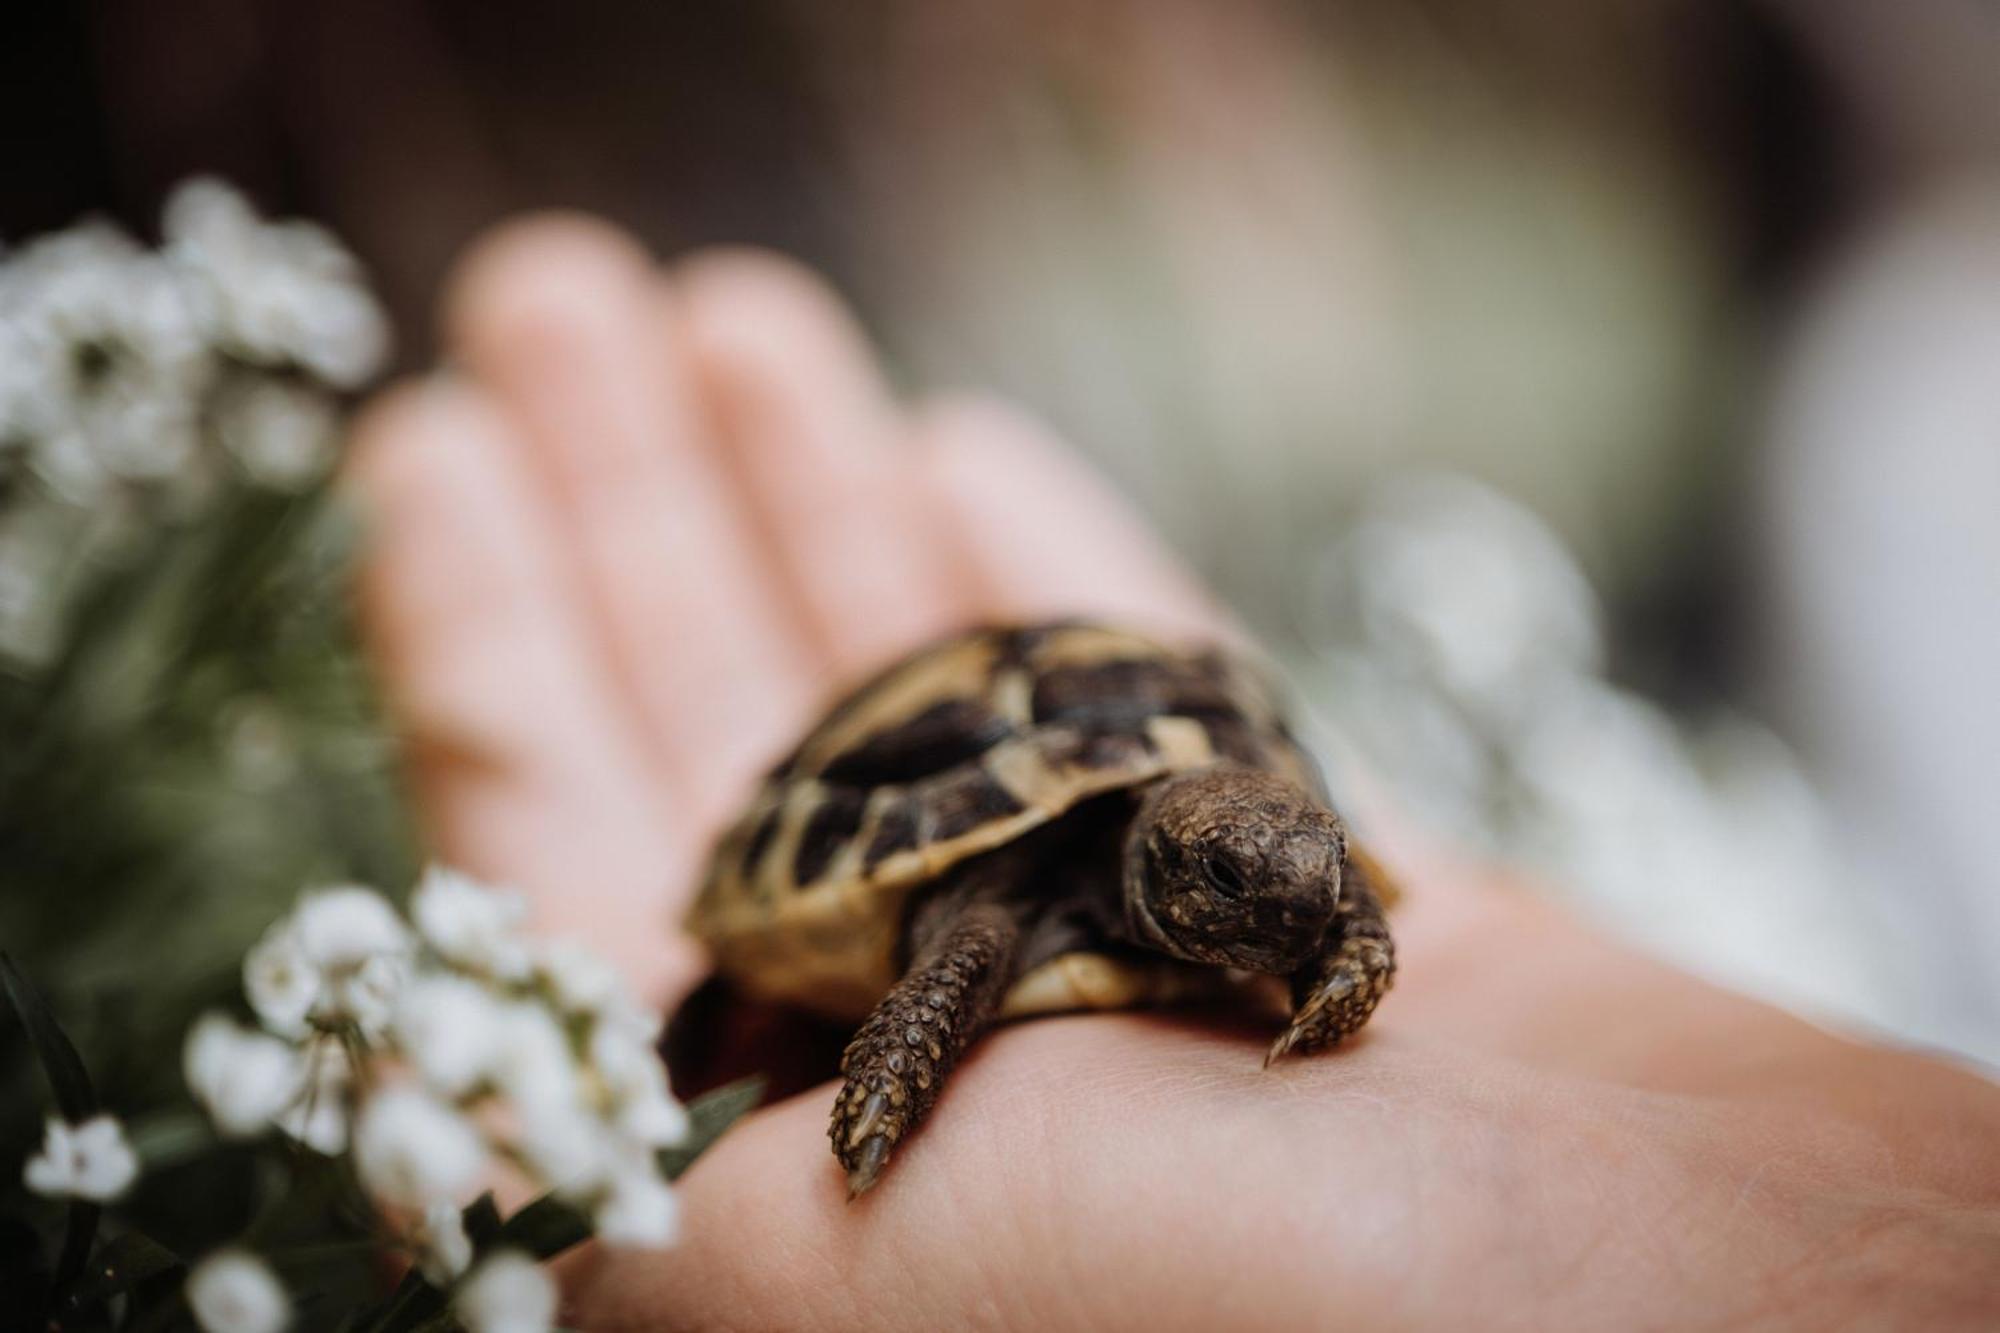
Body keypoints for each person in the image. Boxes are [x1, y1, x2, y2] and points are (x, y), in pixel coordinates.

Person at [346, 217, 2000, 1329]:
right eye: (1236, 882)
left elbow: (1328, 898)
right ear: (1155, 864)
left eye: (1300, 874)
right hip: (955, 855)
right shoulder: (1009, 895)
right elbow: (970, 937)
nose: (1288, 904)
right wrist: (891, 1066)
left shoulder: (1280, 866)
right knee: (884, 966)